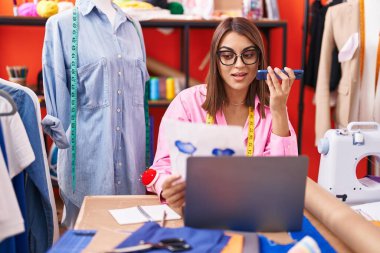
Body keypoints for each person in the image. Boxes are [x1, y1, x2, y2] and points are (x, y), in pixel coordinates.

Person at [145, 17, 298, 208]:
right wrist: (166, 187)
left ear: (259, 59)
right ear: (215, 60)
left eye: (248, 54)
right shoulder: (187, 103)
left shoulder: (271, 111)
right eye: (227, 56)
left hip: (252, 212)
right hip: (196, 211)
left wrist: (279, 110)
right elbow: (161, 167)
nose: (239, 65)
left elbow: (284, 179)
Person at [42, 0, 149, 228]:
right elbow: (58, 102)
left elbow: (139, 99)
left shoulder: (133, 27)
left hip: (133, 168)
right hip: (89, 167)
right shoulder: (62, 25)